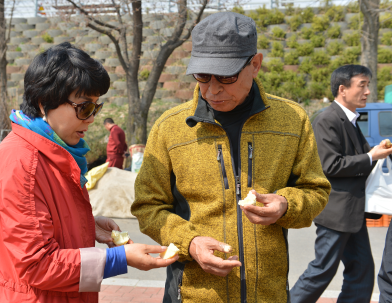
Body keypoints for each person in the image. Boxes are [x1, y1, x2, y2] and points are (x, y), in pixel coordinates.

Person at [131, 12, 331, 303]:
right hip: (191, 294)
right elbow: (147, 207)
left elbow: (316, 190)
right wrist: (191, 243)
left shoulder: (292, 120)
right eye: (202, 76)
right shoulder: (170, 127)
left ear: (255, 64)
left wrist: (286, 205)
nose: (212, 90)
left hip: (269, 295)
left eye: (226, 76)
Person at [0, 42, 178, 303]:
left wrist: (87, 225)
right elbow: (37, 264)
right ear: (44, 103)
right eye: (84, 107)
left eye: (95, 107)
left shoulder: (52, 151)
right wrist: (119, 259)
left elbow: (43, 223)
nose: (91, 118)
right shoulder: (22, 161)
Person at [291, 65, 392, 303]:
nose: (368, 91)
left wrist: (376, 152)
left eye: (368, 85)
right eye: (362, 85)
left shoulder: (349, 119)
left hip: (350, 213)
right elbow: (330, 165)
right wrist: (371, 156)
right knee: (322, 269)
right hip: (336, 212)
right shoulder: (327, 119)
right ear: (342, 89)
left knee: (361, 270)